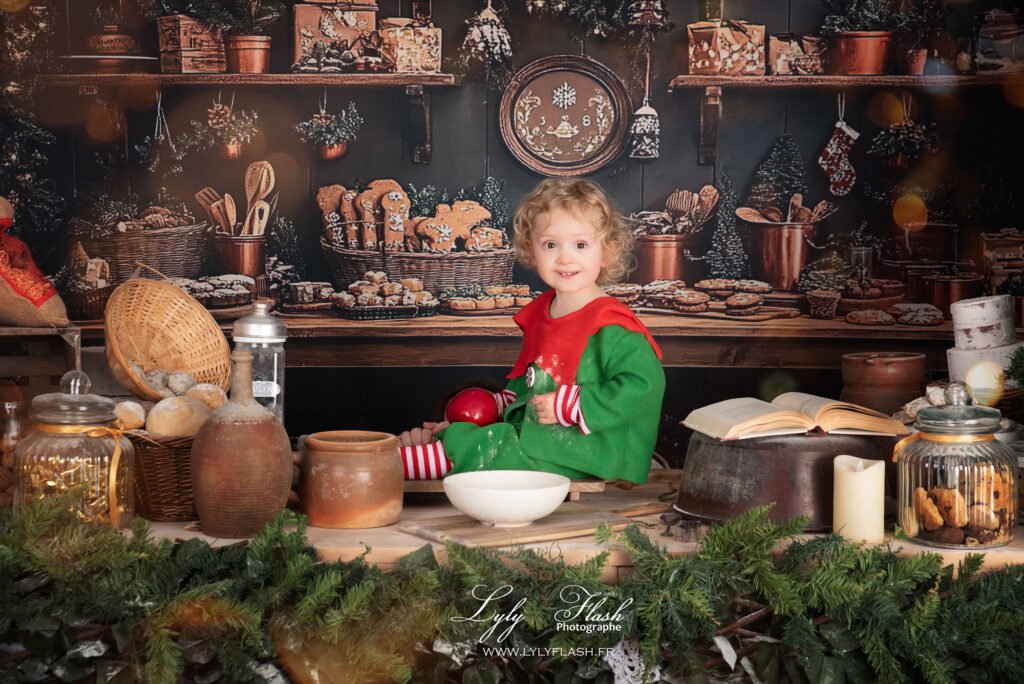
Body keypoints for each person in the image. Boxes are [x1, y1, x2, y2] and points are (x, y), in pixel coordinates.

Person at [398, 178, 665, 484]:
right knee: (489, 436)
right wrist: (505, 403)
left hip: (593, 452)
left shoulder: (612, 325)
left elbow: (645, 386)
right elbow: (535, 380)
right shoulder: (543, 312)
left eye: (580, 245)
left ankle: (403, 464)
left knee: (497, 446)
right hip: (547, 440)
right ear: (531, 249)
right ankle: (423, 453)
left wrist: (574, 406)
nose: (565, 257)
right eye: (551, 245)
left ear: (607, 251)